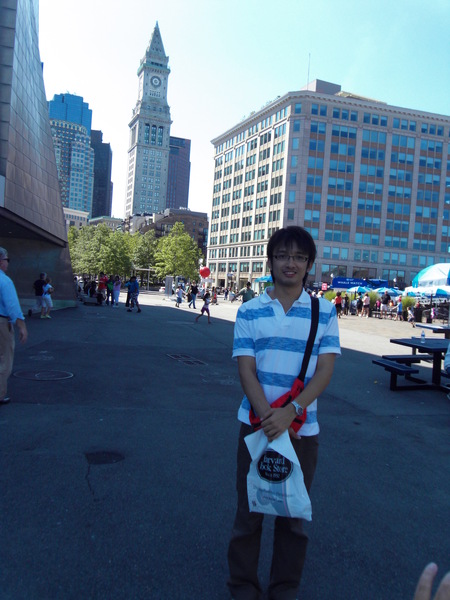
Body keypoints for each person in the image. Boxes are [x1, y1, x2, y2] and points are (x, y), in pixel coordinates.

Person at [227, 226, 340, 600]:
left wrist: (291, 412)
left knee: (294, 516)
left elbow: (325, 370)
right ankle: (243, 586)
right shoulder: (249, 310)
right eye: (282, 256)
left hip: (302, 431)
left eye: (298, 257)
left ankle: (284, 590)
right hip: (255, 427)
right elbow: (246, 369)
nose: (290, 263)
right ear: (271, 261)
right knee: (249, 512)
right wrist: (269, 419)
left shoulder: (324, 312)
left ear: (309, 264)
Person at [0, 247, 28, 404]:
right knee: (5, 358)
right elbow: (13, 306)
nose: (8, 263)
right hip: (2, 322)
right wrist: (21, 326)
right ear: (1, 261)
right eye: (6, 260)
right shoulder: (5, 281)